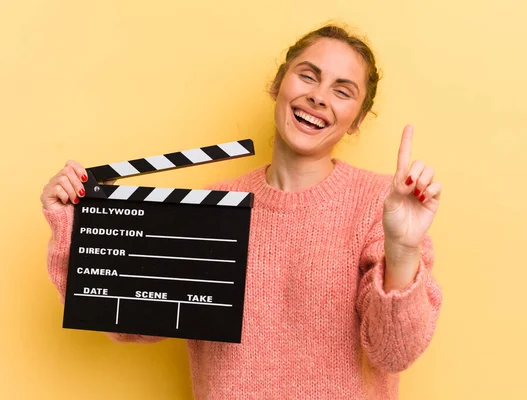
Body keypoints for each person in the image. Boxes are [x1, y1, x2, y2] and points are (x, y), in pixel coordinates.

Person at [40, 24, 443, 400]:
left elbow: (394, 354)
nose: (319, 96)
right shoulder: (214, 207)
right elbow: (128, 323)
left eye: (343, 90)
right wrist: (73, 225)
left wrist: (403, 249)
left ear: (356, 120)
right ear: (278, 84)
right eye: (308, 75)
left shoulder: (380, 204)